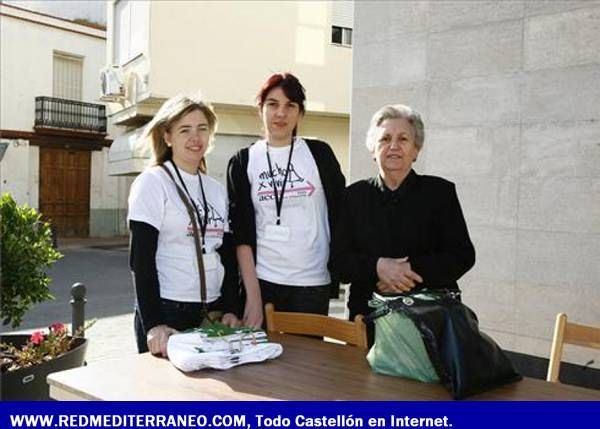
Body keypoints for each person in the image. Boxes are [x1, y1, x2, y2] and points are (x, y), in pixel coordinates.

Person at [331, 104, 475, 343]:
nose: (394, 146)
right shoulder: (352, 197)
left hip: (430, 323)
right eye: (385, 139)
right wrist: (378, 268)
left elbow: (463, 255)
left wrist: (407, 272)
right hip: (368, 321)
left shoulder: (440, 193)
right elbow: (338, 262)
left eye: (403, 139)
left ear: (416, 149)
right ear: (373, 149)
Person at [227, 72, 345, 327]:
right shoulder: (243, 161)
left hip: (312, 284)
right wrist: (253, 297)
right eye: (272, 104)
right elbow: (242, 235)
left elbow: (343, 213)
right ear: (260, 110)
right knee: (261, 364)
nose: (281, 113)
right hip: (264, 281)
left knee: (308, 364)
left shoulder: (319, 154)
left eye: (290, 105)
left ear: (301, 113)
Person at [128, 94, 241, 357]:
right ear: (167, 136)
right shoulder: (152, 183)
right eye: (185, 130)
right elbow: (140, 261)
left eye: (202, 129)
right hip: (168, 312)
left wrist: (231, 308)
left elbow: (225, 254)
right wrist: (154, 323)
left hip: (211, 312)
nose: (195, 138)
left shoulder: (214, 188)